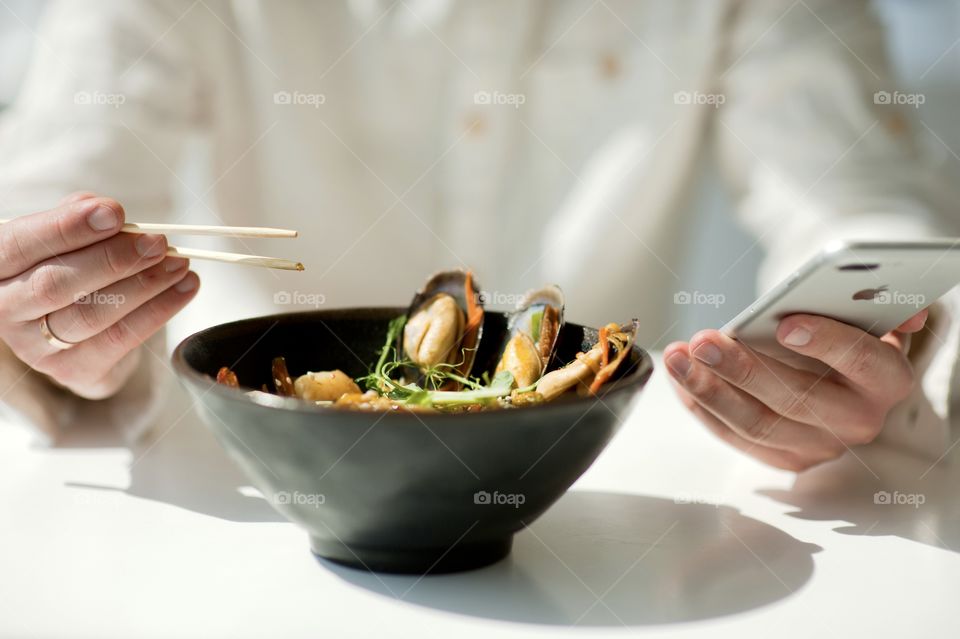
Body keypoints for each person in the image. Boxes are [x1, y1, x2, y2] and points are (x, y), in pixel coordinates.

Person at [0, 0, 956, 469]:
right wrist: (60, 327)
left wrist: (876, 358)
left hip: (600, 487)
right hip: (242, 469)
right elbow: (50, 211)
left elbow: (859, 209)